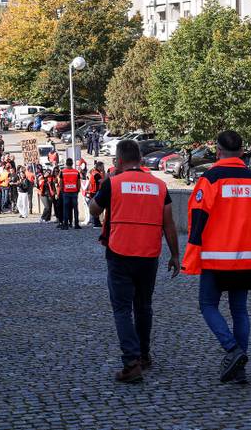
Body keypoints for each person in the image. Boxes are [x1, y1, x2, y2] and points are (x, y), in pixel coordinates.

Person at [183, 130, 251, 385]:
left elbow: (198, 219)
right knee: (240, 310)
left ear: (218, 151)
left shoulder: (211, 179)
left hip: (217, 258)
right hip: (250, 259)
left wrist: (191, 258)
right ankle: (240, 369)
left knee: (207, 305)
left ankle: (233, 350)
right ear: (242, 152)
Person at [89, 139, 180, 384]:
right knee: (143, 306)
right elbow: (168, 224)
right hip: (149, 254)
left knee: (121, 309)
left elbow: (94, 210)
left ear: (118, 160)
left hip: (120, 253)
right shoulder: (159, 185)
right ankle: (144, 355)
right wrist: (175, 254)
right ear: (140, 159)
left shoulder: (114, 183)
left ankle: (131, 362)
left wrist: (101, 193)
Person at [59, 158, 81, 230]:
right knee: (75, 208)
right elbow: (78, 182)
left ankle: (65, 225)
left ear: (66, 163)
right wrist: (78, 190)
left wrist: (62, 190)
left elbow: (61, 182)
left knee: (66, 209)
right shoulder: (76, 172)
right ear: (72, 163)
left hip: (66, 192)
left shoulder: (63, 172)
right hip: (74, 192)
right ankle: (76, 224)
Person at [87, 162, 104, 228]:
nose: (103, 168)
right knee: (96, 208)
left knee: (95, 208)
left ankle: (97, 222)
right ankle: (96, 223)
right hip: (95, 192)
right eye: (102, 166)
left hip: (93, 192)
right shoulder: (97, 174)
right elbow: (101, 181)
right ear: (99, 167)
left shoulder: (94, 172)